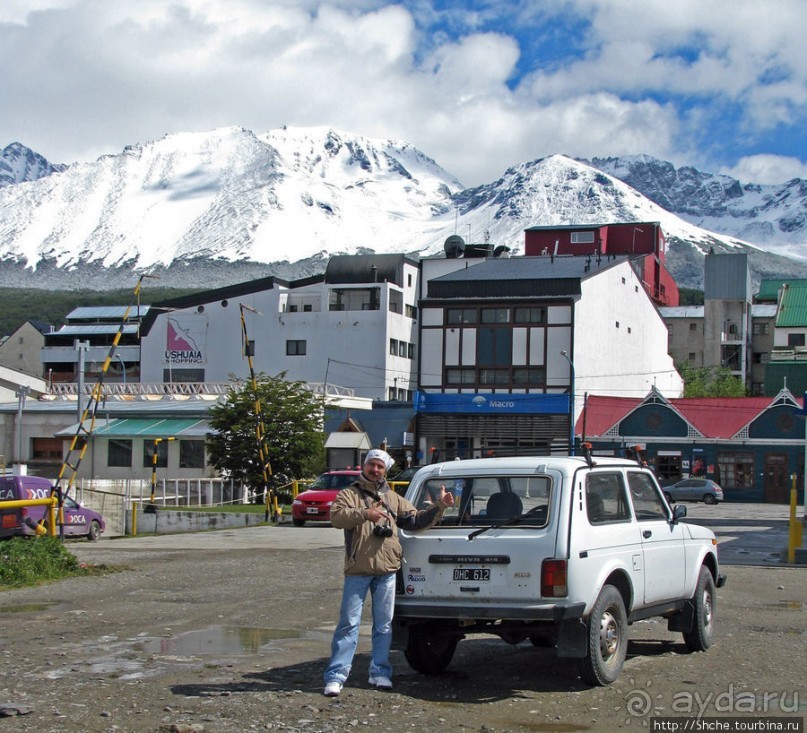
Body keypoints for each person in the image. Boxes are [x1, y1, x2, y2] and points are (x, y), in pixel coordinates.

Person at [323, 448, 454, 697]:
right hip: (357, 570)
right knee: (348, 624)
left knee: (383, 625)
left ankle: (380, 672)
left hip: (387, 571)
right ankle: (336, 676)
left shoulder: (392, 498)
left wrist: (439, 506)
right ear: (364, 466)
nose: (375, 470)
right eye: (371, 465)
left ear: (385, 470)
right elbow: (337, 518)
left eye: (380, 466)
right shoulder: (348, 494)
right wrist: (365, 514)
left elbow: (415, 521)